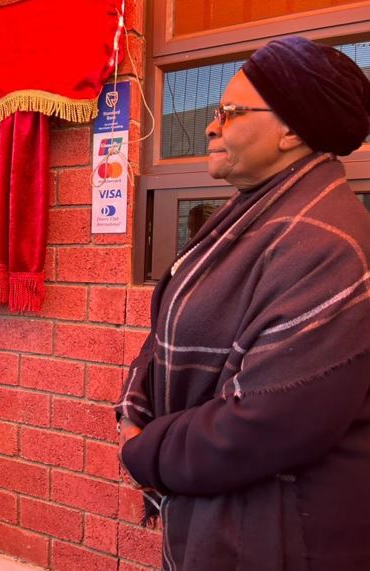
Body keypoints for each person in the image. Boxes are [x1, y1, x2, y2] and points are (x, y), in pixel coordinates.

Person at [116, 36, 370, 570]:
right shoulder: (251, 219)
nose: (212, 127)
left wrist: (147, 448)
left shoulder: (325, 245)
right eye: (216, 112)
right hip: (230, 518)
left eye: (230, 112)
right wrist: (138, 401)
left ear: (291, 130)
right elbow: (169, 325)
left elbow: (269, 421)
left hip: (281, 538)